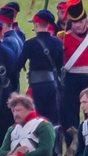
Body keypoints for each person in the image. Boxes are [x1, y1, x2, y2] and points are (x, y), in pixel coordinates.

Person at [57, 0, 88, 132]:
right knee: (69, 117)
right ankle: (72, 147)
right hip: (70, 81)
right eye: (74, 23)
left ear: (86, 21)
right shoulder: (64, 39)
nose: (78, 26)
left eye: (80, 22)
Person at [25, 9, 69, 139]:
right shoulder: (57, 42)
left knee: (36, 119)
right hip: (52, 85)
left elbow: (17, 64)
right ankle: (55, 149)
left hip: (36, 87)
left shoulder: (30, 44)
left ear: (37, 25)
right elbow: (60, 65)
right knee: (52, 120)